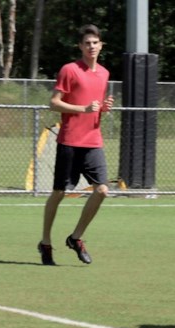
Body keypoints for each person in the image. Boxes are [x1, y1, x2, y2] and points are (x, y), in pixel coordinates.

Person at [37, 24, 114, 266]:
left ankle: (76, 237)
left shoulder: (104, 73)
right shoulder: (69, 70)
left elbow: (95, 107)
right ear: (80, 47)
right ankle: (46, 242)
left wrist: (103, 108)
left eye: (95, 42)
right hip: (70, 141)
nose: (91, 47)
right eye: (87, 43)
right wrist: (83, 109)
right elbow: (53, 103)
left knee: (102, 190)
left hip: (93, 142)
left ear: (101, 45)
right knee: (59, 193)